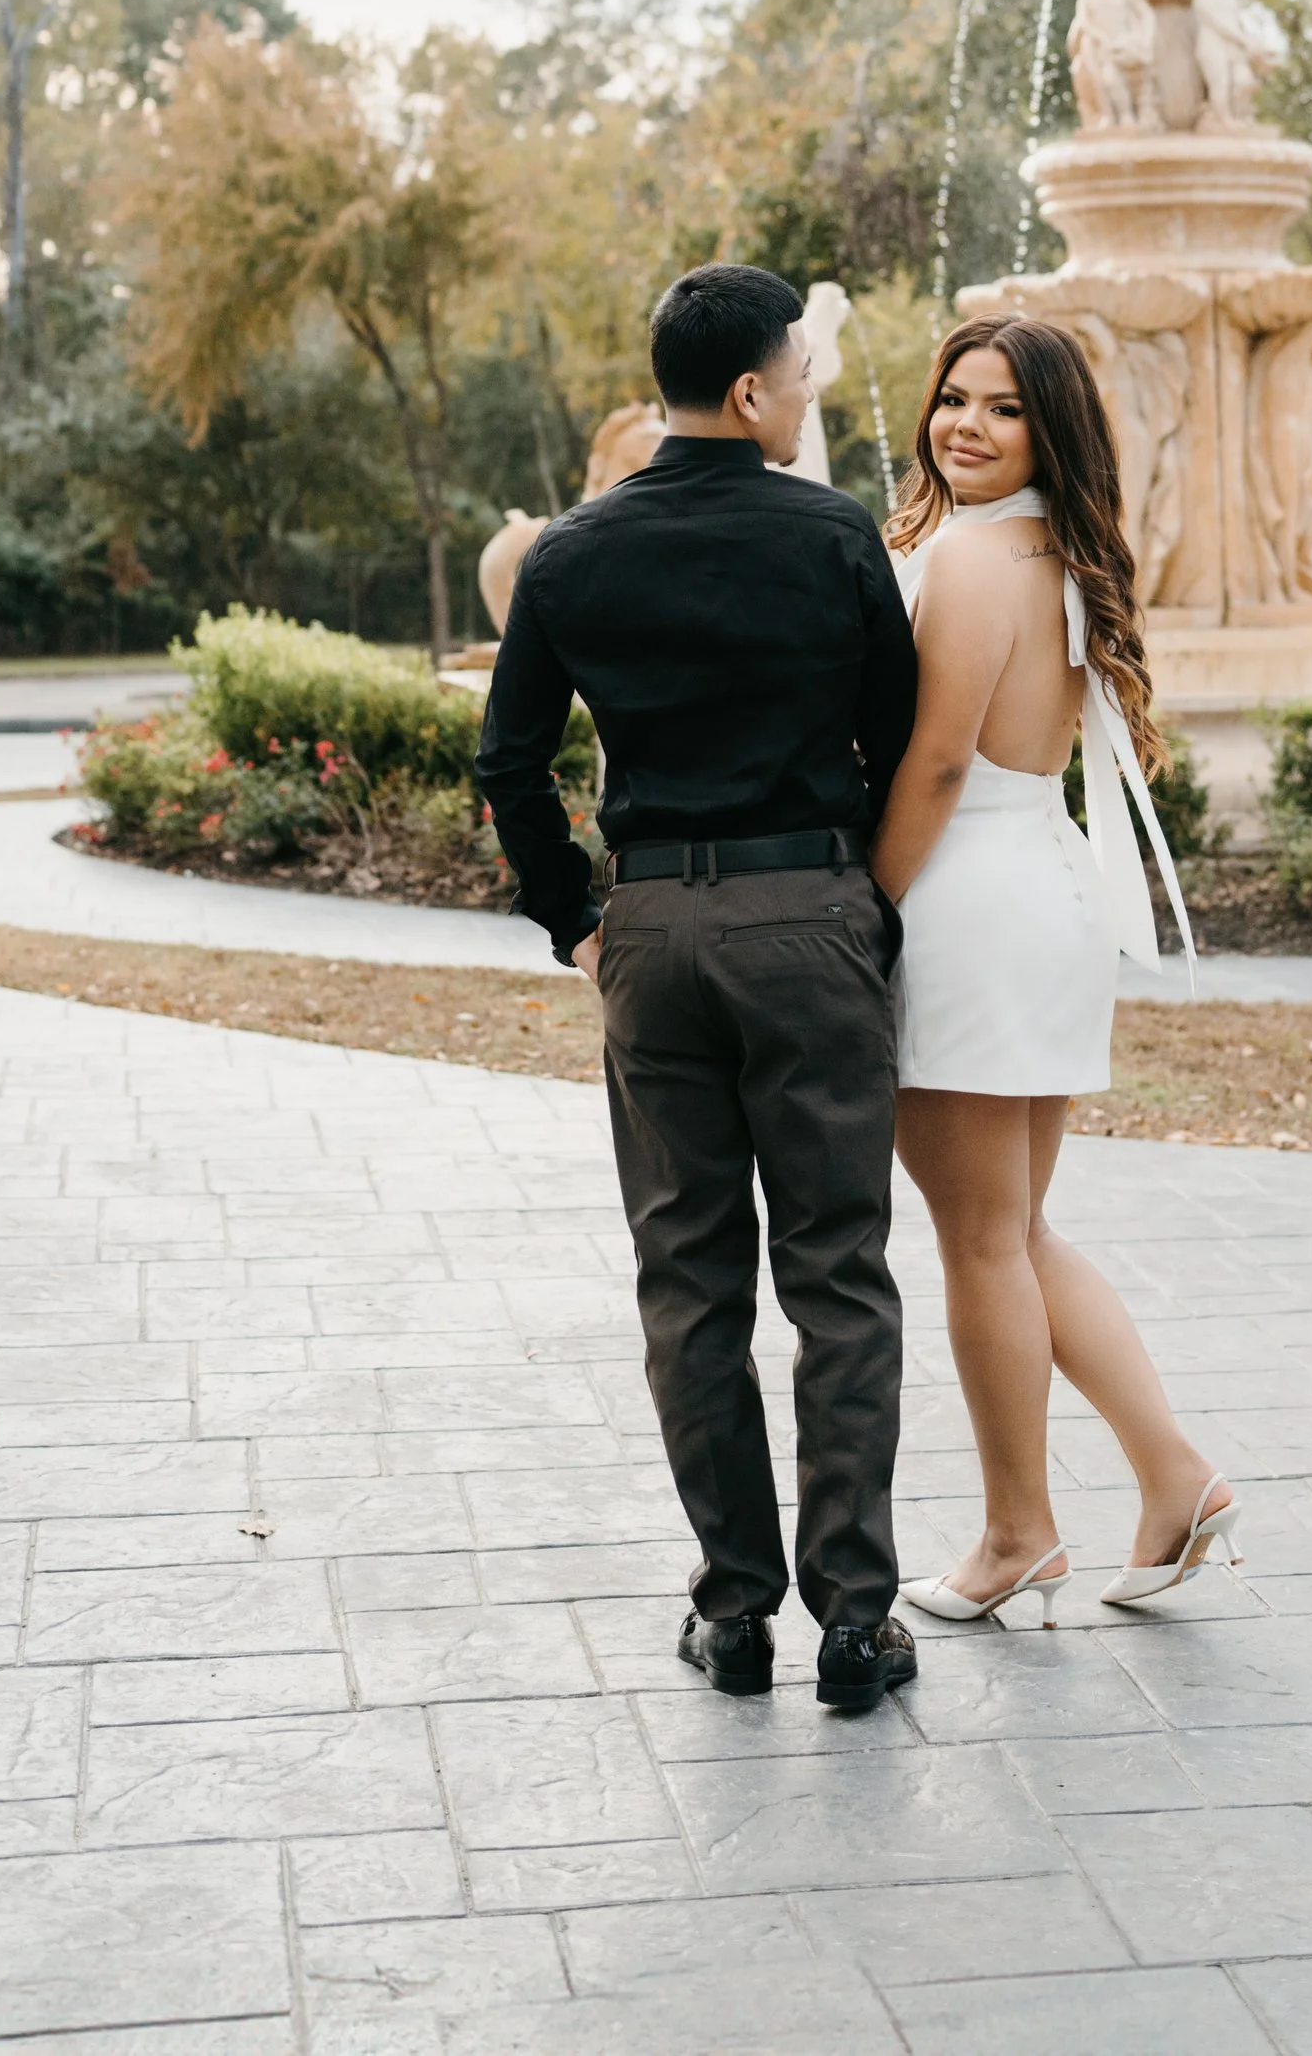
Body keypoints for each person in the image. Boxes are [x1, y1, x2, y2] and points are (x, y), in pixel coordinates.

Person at [476, 262, 923, 1715]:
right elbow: (897, 734)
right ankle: (857, 1617)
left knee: (690, 1280)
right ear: (748, 391)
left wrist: (578, 922)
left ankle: (736, 1612)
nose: (811, 394)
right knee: (839, 1273)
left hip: (656, 932)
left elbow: (510, 762)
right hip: (811, 913)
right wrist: (857, 903)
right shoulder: (833, 533)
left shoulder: (571, 555)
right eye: (801, 373)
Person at [874, 315, 1241, 1624]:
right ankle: (1175, 1474)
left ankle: (1018, 1531)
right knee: (1015, 1229)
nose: (964, 424)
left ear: (1052, 428)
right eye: (952, 398)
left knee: (980, 1239)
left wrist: (870, 909)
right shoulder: (1061, 550)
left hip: (967, 896)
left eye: (1003, 408)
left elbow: (935, 760)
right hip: (1045, 885)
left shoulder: (974, 557)